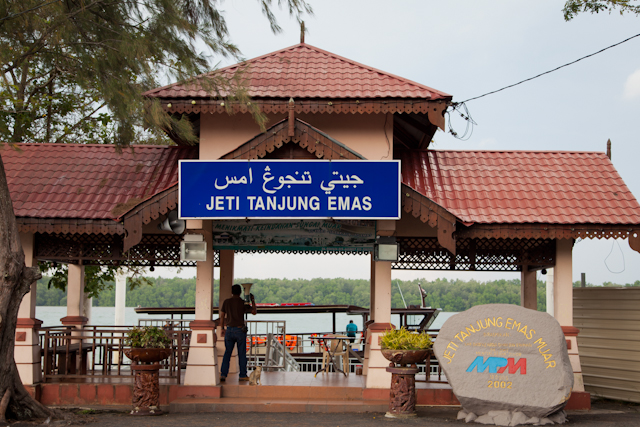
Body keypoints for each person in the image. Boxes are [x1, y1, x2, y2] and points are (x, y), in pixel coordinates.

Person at [219, 284, 257, 382]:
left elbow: (222, 316)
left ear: (231, 292)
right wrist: (252, 300)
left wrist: (222, 328)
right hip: (240, 330)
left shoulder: (226, 302)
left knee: (227, 353)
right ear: (240, 292)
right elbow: (254, 312)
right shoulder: (243, 302)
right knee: (241, 354)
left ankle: (223, 374)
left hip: (229, 330)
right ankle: (242, 375)